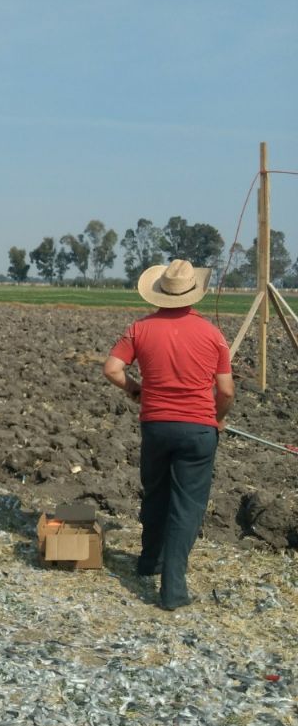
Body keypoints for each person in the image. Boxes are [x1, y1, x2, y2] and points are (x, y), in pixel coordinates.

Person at [103, 259, 234, 611]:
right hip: (198, 431)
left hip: (156, 426)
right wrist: (217, 419)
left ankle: (149, 562)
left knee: (156, 494)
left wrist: (135, 390)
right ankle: (173, 588)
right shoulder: (212, 334)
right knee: (186, 506)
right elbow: (226, 390)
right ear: (194, 294)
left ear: (160, 292)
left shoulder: (140, 329)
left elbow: (112, 369)